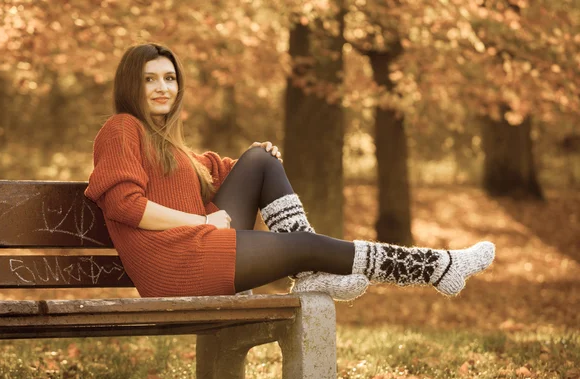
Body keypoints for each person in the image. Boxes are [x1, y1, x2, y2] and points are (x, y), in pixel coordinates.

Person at [84, 43, 495, 302]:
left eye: (170, 78)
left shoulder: (168, 144)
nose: (163, 88)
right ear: (130, 85)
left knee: (260, 159)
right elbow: (124, 204)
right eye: (150, 79)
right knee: (306, 244)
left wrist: (258, 157)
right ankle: (437, 267)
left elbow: (217, 173)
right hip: (173, 267)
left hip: (198, 246)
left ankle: (311, 272)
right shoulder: (121, 128)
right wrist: (201, 219)